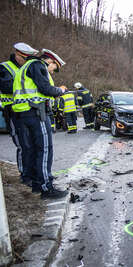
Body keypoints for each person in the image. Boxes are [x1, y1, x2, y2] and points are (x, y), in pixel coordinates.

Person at [12, 48, 68, 199]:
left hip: (23, 114)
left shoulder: (24, 67)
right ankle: (46, 188)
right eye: (54, 68)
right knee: (44, 150)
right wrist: (60, 90)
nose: (52, 72)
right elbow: (45, 89)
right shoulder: (37, 65)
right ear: (50, 61)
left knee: (33, 150)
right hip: (36, 113)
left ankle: (37, 183)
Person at [0, 42, 38, 186]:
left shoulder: (26, 68)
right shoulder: (4, 67)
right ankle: (25, 175)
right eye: (25, 58)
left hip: (26, 111)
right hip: (12, 111)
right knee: (23, 145)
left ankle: (32, 173)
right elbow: (7, 87)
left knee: (32, 144)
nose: (27, 61)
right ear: (17, 55)